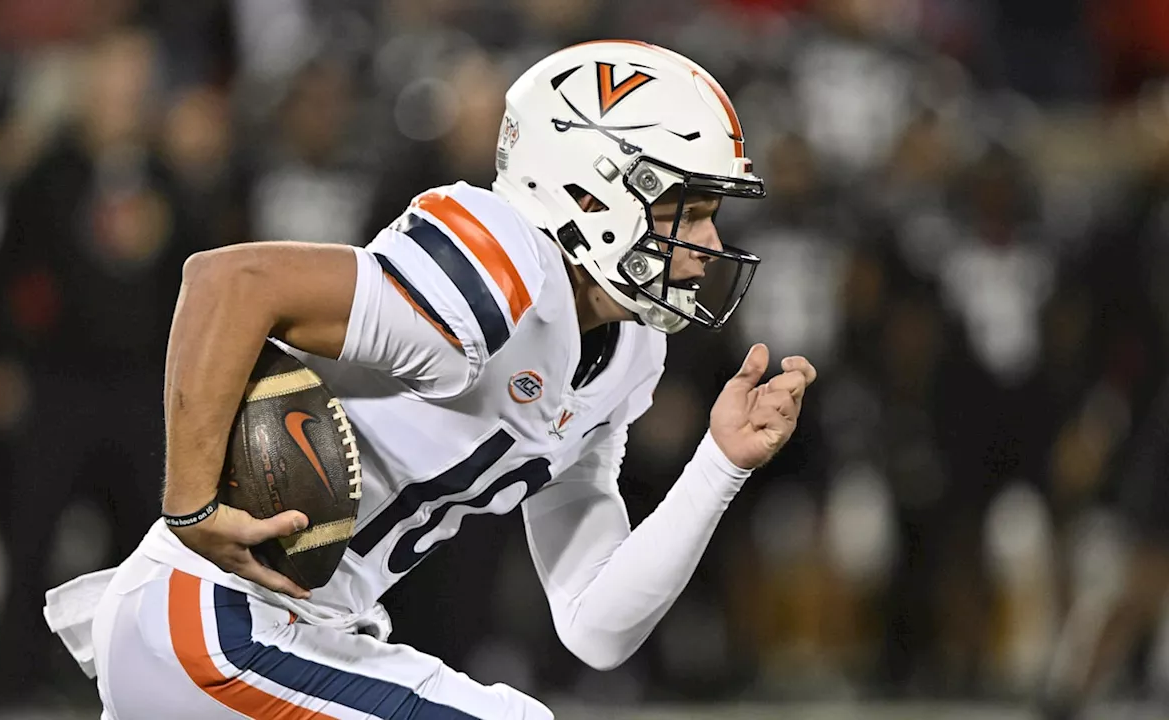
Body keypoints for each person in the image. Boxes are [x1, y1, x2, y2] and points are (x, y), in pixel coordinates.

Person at [43, 39, 817, 719]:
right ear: (592, 192)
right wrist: (189, 505)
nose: (708, 242)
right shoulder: (500, 265)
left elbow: (596, 625)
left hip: (304, 634)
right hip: (216, 620)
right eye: (685, 207)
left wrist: (718, 466)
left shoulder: (630, 352)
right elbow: (230, 282)